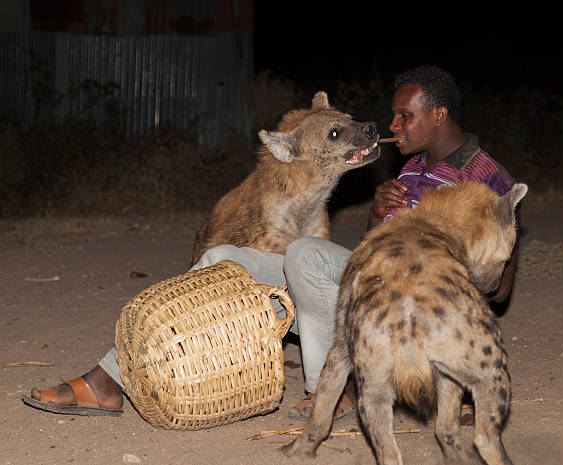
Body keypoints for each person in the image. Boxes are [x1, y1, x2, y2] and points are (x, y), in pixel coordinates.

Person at [23, 65, 520, 423]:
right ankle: (112, 376)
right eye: (393, 117)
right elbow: (371, 249)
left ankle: (331, 388)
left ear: (438, 115)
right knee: (218, 259)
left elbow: (496, 289)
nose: (390, 127)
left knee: (303, 252)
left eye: (402, 117)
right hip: (369, 284)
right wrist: (377, 213)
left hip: (411, 307)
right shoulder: (412, 168)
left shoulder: (489, 179)